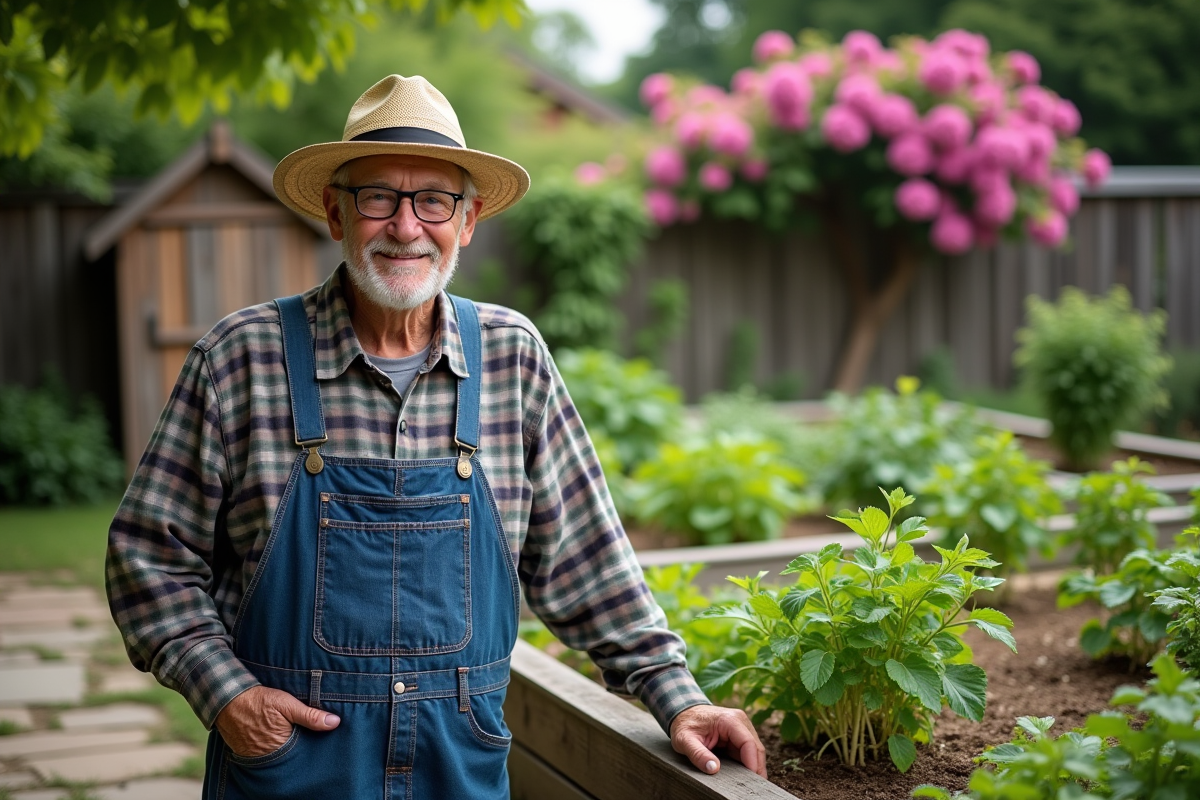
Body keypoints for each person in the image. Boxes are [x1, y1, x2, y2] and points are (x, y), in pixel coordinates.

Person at [105, 74, 765, 799]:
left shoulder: (512, 357)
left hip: (460, 768)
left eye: (434, 200)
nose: (406, 226)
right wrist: (228, 696)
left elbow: (587, 562)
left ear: (469, 219)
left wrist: (681, 697)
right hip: (289, 768)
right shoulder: (241, 356)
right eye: (379, 197)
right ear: (336, 212)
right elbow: (148, 558)